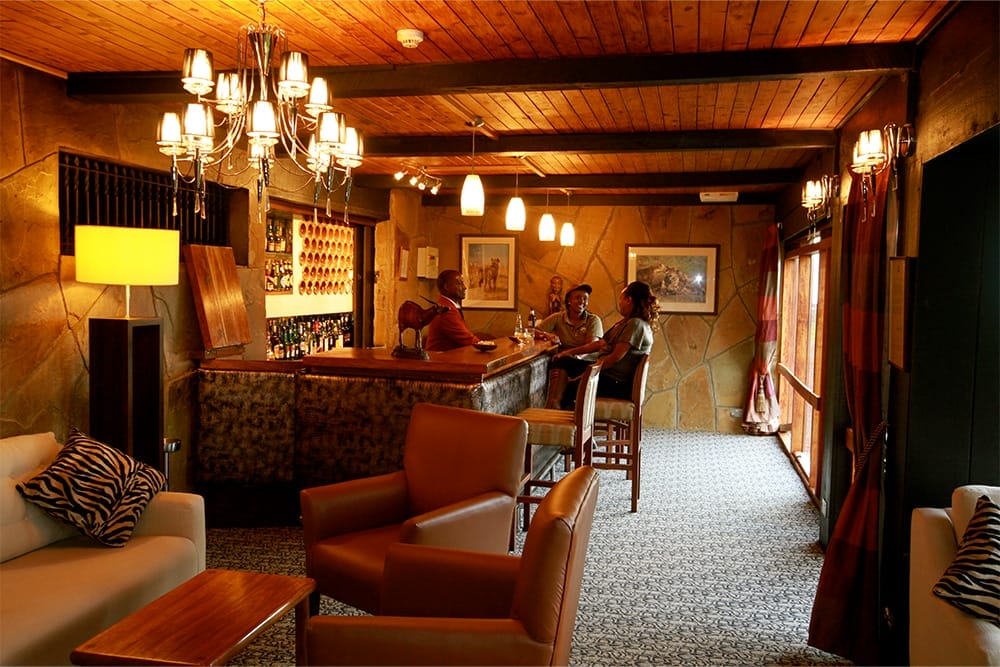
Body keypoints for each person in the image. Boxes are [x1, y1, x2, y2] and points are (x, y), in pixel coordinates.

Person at [546, 280, 658, 409]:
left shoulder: (636, 324)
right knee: (562, 360)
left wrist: (587, 374)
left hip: (615, 382)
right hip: (606, 373)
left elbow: (614, 358)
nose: (619, 303)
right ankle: (553, 404)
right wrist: (568, 353)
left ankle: (562, 416)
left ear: (629, 300)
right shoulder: (626, 322)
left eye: (621, 299)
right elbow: (599, 343)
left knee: (570, 389)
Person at [424, 269, 480, 352]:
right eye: (459, 283)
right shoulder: (446, 310)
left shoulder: (447, 305)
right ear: (446, 287)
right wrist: (484, 344)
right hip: (440, 359)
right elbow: (466, 339)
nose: (464, 287)